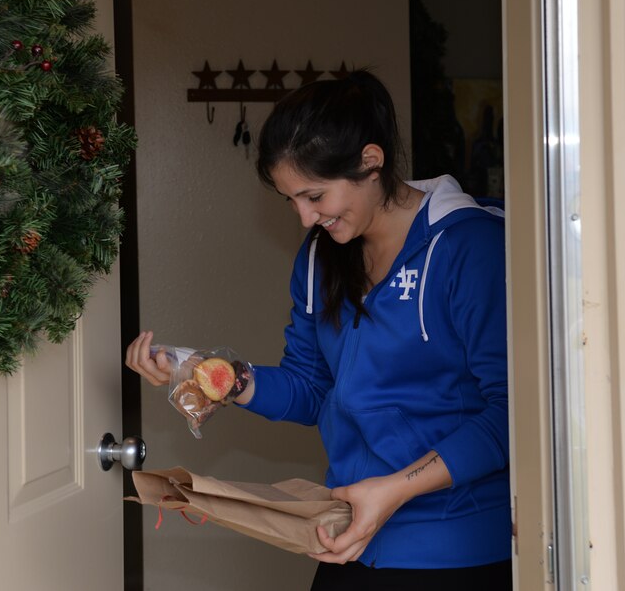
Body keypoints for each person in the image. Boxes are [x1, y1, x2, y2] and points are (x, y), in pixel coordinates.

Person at [126, 70, 511, 589]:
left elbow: (512, 415)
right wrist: (209, 373)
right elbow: (312, 389)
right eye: (291, 200)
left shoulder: (471, 249)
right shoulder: (320, 259)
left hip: (455, 550)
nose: (305, 219)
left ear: (370, 162)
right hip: (350, 539)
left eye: (314, 196)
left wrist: (396, 489)